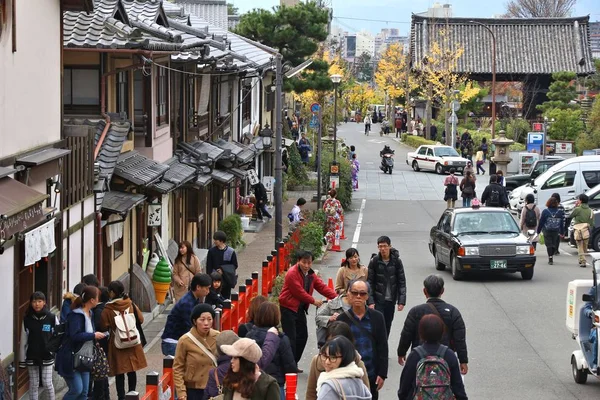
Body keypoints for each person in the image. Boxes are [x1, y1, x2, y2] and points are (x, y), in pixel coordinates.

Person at [397, 275, 468, 375]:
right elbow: (459, 339)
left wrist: (401, 352)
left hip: (420, 357)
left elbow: (406, 334)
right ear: (442, 291)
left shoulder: (416, 312)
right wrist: (463, 360)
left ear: (425, 291)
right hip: (446, 357)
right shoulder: (453, 312)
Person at [279, 251, 337, 366]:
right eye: (304, 262)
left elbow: (321, 286)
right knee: (291, 338)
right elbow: (298, 292)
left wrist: (337, 297)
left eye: (309, 263)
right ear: (298, 261)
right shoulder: (292, 273)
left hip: (299, 308)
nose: (306, 265)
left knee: (302, 336)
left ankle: (293, 363)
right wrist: (313, 301)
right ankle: (289, 365)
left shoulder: (310, 274)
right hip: (288, 307)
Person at [337, 280, 388, 400]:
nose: (358, 296)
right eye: (354, 293)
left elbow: (383, 346)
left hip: (371, 374)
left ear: (367, 296)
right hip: (348, 375)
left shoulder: (377, 317)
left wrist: (382, 373)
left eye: (362, 293)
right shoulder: (341, 319)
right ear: (348, 294)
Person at [397, 315, 468, 400]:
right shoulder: (449, 354)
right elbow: (458, 387)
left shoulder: (415, 355)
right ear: (442, 332)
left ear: (421, 332)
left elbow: (404, 388)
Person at [99, 281, 147, 400]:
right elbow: (140, 319)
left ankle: (121, 397)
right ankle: (132, 393)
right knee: (132, 369)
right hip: (133, 341)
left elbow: (104, 326)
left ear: (112, 293)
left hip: (117, 343)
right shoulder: (130, 304)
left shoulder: (108, 309)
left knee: (119, 372)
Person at [56, 286, 105, 400]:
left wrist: (95, 338)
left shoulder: (90, 313)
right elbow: (75, 335)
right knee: (76, 390)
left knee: (84, 392)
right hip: (72, 357)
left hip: (85, 357)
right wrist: (93, 335)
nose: (98, 300)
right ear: (92, 300)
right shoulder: (76, 315)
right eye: (97, 298)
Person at [204, 329, 281, 400]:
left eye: (235, 358)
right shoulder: (230, 381)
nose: (231, 361)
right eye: (232, 357)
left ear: (245, 361)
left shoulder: (268, 385)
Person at [307, 321, 370, 400]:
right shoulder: (317, 361)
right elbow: (311, 393)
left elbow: (365, 394)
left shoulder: (357, 365)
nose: (327, 362)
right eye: (330, 342)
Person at [246, 302, 297, 398]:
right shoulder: (280, 338)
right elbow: (289, 365)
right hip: (276, 383)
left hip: (252, 383)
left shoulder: (249, 336)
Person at [173, 304, 219, 400]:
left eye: (209, 319)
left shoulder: (218, 337)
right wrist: (181, 392)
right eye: (202, 320)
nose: (206, 323)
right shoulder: (185, 340)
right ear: (194, 321)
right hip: (193, 389)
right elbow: (178, 368)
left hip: (213, 387)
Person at [19, 291, 58, 400]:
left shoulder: (51, 317)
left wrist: (54, 350)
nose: (37, 304)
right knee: (34, 384)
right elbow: (23, 340)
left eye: (39, 301)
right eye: (34, 301)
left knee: (47, 383)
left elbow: (58, 335)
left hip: (47, 355)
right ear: (31, 303)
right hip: (32, 354)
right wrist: (22, 360)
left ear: (44, 302)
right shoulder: (27, 319)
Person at [161, 273, 212, 357]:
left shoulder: (194, 299)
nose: (208, 291)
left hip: (181, 339)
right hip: (173, 342)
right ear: (198, 287)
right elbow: (191, 326)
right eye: (206, 288)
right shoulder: (186, 303)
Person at [367, 236, 406, 338]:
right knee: (378, 326)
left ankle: (383, 348)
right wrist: (370, 301)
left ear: (390, 246)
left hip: (391, 300)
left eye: (385, 246)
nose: (383, 249)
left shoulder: (397, 261)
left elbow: (401, 281)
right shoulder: (374, 261)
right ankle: (378, 350)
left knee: (387, 326)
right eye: (380, 246)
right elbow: (369, 283)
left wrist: (401, 301)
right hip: (378, 300)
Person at [207, 231, 238, 299]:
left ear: (221, 241)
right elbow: (209, 266)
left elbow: (234, 265)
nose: (214, 241)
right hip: (214, 279)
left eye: (216, 240)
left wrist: (223, 270)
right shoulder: (211, 251)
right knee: (214, 297)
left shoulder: (231, 251)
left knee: (226, 298)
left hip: (226, 279)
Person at [91, 287, 111, 400]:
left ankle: (101, 396)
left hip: (100, 345)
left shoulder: (98, 310)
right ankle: (105, 396)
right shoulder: (107, 307)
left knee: (99, 374)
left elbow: (99, 327)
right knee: (103, 373)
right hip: (106, 344)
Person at [537, 196, 565, 265]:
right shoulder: (559, 212)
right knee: (553, 242)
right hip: (556, 230)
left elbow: (541, 222)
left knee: (548, 244)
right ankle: (553, 248)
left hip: (546, 230)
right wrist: (562, 232)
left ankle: (550, 258)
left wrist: (538, 231)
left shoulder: (545, 211)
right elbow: (561, 223)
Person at [571, 193, 594, 268]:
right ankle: (581, 259)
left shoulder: (577, 209)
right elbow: (591, 223)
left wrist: (575, 206)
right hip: (586, 230)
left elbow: (570, 215)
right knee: (585, 247)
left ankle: (583, 261)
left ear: (580, 201)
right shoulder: (590, 211)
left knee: (579, 246)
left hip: (578, 229)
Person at [584, 286, 598, 371]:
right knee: (598, 337)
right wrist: (591, 313)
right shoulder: (596, 290)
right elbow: (587, 308)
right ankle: (596, 364)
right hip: (597, 327)